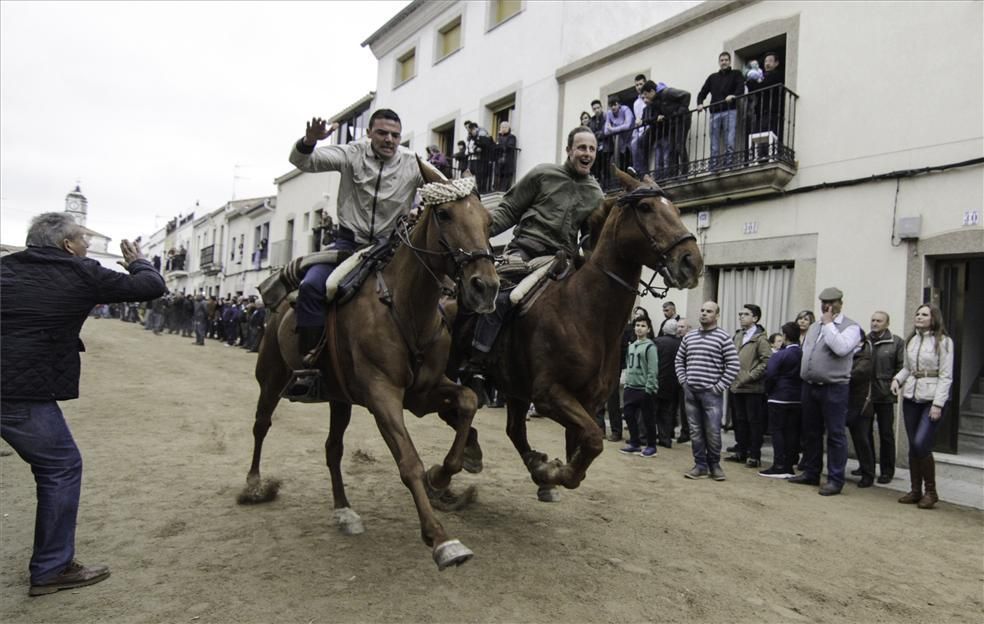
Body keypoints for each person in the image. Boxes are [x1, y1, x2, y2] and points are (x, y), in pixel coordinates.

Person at [1, 212, 166, 596]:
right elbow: (151, 285)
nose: (88, 245)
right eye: (83, 239)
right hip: (18, 392)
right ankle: (52, 569)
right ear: (66, 246)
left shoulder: (6, 268)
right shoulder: (81, 272)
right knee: (61, 466)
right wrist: (138, 260)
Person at [463, 126, 604, 404]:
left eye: (591, 149)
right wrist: (480, 235)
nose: (586, 153)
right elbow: (509, 208)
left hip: (559, 260)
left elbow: (589, 241)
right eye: (581, 148)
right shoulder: (543, 174)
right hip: (524, 251)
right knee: (501, 295)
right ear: (569, 150)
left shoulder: (596, 195)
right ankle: (477, 364)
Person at [287, 109, 424, 386]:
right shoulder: (351, 153)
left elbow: (446, 188)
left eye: (395, 135)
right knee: (311, 287)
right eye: (382, 133)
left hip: (391, 248)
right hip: (348, 245)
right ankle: (310, 369)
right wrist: (309, 140)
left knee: (438, 289)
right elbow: (303, 161)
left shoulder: (413, 163)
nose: (389, 139)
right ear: (369, 133)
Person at [792, 287, 863, 496]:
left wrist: (830, 324)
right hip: (810, 385)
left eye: (831, 303)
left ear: (841, 303)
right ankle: (811, 472)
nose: (827, 306)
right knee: (811, 432)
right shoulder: (815, 326)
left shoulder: (851, 327)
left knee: (835, 434)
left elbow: (840, 348)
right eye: (823, 302)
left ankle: (835, 479)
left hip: (835, 387)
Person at [891, 304, 954, 510]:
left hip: (931, 398)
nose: (919, 316)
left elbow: (946, 376)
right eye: (918, 313)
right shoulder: (912, 339)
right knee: (913, 445)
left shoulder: (944, 342)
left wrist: (938, 404)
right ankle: (915, 490)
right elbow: (908, 368)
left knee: (921, 443)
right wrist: (897, 380)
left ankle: (931, 492)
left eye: (924, 314)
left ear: (933, 318)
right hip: (911, 397)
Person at [675, 301, 740, 481]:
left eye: (709, 311)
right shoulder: (690, 336)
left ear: (716, 316)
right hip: (691, 392)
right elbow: (679, 360)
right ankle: (700, 465)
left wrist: (718, 386)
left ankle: (715, 465)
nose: (704, 313)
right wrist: (684, 381)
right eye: (702, 310)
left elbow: (734, 364)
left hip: (711, 394)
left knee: (712, 431)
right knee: (695, 431)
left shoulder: (723, 337)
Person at [726, 304, 772, 467]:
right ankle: (741, 451)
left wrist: (750, 376)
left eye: (745, 314)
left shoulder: (761, 338)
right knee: (739, 421)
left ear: (755, 318)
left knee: (754, 422)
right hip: (736, 385)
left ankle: (754, 455)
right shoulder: (738, 336)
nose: (741, 317)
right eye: (740, 314)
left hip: (753, 387)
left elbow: (766, 361)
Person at [865, 311, 905, 484]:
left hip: (885, 394)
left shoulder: (896, 342)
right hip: (866, 395)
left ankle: (887, 471)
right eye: (873, 320)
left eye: (879, 321)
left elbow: (902, 367)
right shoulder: (864, 340)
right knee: (864, 433)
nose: (875, 323)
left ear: (887, 324)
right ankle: (867, 466)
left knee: (886, 434)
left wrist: (894, 384)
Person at [760, 322, 803, 478]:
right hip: (797, 397)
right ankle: (789, 464)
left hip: (779, 396)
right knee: (792, 431)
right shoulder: (802, 353)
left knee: (778, 431)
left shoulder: (780, 355)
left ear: (785, 336)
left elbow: (770, 374)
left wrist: (769, 391)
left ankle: (779, 464)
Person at [696, 51, 745, 169]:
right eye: (722, 60)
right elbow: (702, 92)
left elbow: (741, 88)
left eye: (726, 60)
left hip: (730, 110)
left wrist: (733, 95)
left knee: (730, 141)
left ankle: (729, 164)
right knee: (714, 143)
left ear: (730, 61)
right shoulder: (712, 77)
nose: (724, 62)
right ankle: (714, 167)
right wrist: (699, 103)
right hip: (715, 112)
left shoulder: (736, 74)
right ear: (719, 62)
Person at [619, 316, 660, 457]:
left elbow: (652, 369)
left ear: (648, 329)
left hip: (644, 388)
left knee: (648, 419)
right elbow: (628, 365)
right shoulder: (631, 346)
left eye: (643, 326)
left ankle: (651, 446)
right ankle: (635, 443)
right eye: (637, 325)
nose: (639, 328)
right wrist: (626, 383)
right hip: (631, 387)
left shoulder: (650, 346)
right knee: (629, 415)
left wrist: (649, 387)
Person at [846, 328, 875, 488]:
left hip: (861, 403)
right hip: (846, 402)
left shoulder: (866, 356)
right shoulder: (846, 354)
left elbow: (856, 374)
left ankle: (868, 473)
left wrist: (839, 374)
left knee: (862, 440)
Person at [746, 52, 786, 159]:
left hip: (773, 112)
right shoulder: (762, 76)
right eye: (765, 61)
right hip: (761, 113)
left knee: (772, 136)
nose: (767, 64)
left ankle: (772, 157)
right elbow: (753, 88)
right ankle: (760, 158)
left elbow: (761, 86)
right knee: (760, 137)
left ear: (776, 63)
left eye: (770, 61)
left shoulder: (778, 75)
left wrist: (753, 83)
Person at [651, 81, 692, 177]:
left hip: (682, 120)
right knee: (672, 148)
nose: (645, 97)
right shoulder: (658, 100)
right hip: (673, 123)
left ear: (652, 91)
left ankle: (684, 173)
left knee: (679, 145)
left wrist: (679, 113)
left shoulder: (667, 92)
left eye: (645, 94)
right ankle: (675, 174)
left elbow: (686, 95)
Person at [654, 318, 682, 448]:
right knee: (667, 412)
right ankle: (665, 438)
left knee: (651, 411)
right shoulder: (681, 344)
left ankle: (646, 436)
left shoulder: (657, 342)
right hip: (673, 383)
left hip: (657, 380)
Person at [604, 96, 634, 172]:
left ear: (619, 104)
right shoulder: (609, 113)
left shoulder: (625, 109)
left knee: (630, 160)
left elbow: (627, 125)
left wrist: (612, 129)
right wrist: (620, 128)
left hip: (631, 137)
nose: (613, 107)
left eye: (615, 104)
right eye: (611, 106)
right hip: (619, 143)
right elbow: (606, 131)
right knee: (620, 162)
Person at [675, 318, 692, 443]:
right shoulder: (677, 341)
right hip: (677, 379)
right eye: (678, 327)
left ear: (689, 328)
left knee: (687, 409)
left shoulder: (691, 342)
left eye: (682, 327)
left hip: (689, 380)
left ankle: (687, 432)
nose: (679, 329)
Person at [587, 99, 611, 185]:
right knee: (596, 169)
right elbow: (591, 133)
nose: (596, 110)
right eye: (594, 109)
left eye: (598, 108)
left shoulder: (606, 116)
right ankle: (598, 185)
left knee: (606, 168)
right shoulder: (592, 120)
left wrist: (597, 134)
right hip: (596, 147)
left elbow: (604, 132)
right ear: (593, 110)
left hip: (606, 146)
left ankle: (607, 185)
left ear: (601, 107)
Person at [629, 74, 649, 174]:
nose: (639, 87)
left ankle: (641, 171)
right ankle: (637, 169)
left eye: (641, 84)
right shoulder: (635, 103)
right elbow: (637, 118)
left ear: (645, 83)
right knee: (633, 143)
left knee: (639, 142)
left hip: (649, 127)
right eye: (637, 85)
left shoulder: (648, 97)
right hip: (640, 130)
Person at [494, 121, 519, 192]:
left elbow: (510, 146)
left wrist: (501, 140)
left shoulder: (512, 137)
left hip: (507, 162)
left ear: (508, 128)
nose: (503, 129)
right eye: (502, 127)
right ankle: (497, 190)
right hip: (500, 161)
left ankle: (504, 191)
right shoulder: (499, 137)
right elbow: (497, 147)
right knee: (499, 176)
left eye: (505, 127)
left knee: (506, 178)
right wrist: (500, 138)